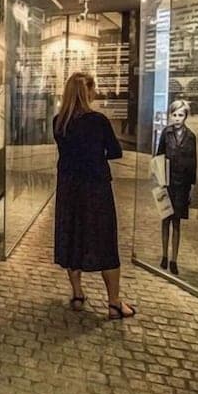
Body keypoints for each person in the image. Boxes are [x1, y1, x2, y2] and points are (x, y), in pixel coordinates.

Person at [53, 71, 136, 319]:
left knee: (72, 238)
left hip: (69, 188)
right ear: (86, 92)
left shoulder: (59, 122)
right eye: (93, 89)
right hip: (95, 188)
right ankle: (114, 303)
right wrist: (96, 154)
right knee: (105, 241)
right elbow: (115, 151)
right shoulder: (98, 121)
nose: (95, 92)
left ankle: (78, 295)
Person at [156, 99, 198, 275]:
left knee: (177, 222)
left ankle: (174, 259)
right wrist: (159, 180)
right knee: (165, 220)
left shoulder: (190, 137)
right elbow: (158, 157)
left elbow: (193, 163)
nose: (177, 118)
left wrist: (192, 187)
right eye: (174, 115)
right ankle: (164, 255)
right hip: (167, 182)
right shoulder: (166, 134)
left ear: (186, 116)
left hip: (182, 184)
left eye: (180, 115)